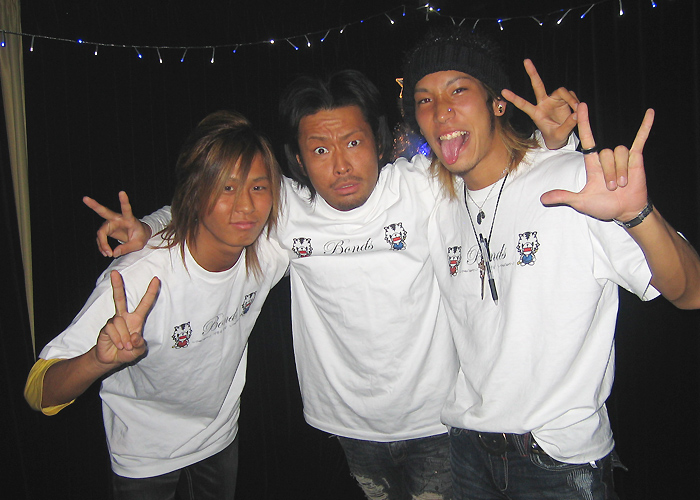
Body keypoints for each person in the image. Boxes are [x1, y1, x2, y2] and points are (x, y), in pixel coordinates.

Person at [86, 69, 577, 500]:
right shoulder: (286, 212)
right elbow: (218, 201)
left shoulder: (420, 188)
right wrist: (153, 226)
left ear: (378, 142)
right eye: (320, 149)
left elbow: (494, 171)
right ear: (298, 161)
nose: (340, 166)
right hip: (347, 425)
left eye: (353, 143)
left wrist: (552, 142)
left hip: (437, 420)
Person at [400, 29, 700, 500]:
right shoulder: (435, 200)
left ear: (498, 103)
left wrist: (636, 215)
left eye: (458, 90)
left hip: (556, 458)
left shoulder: (573, 180)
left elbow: (691, 292)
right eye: (424, 100)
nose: (440, 111)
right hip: (467, 450)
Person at [24, 110, 289, 499]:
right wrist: (98, 360)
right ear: (194, 193)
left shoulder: (269, 251)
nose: (246, 206)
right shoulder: (137, 278)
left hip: (219, 436)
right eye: (226, 188)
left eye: (258, 187)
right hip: (144, 452)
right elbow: (38, 391)